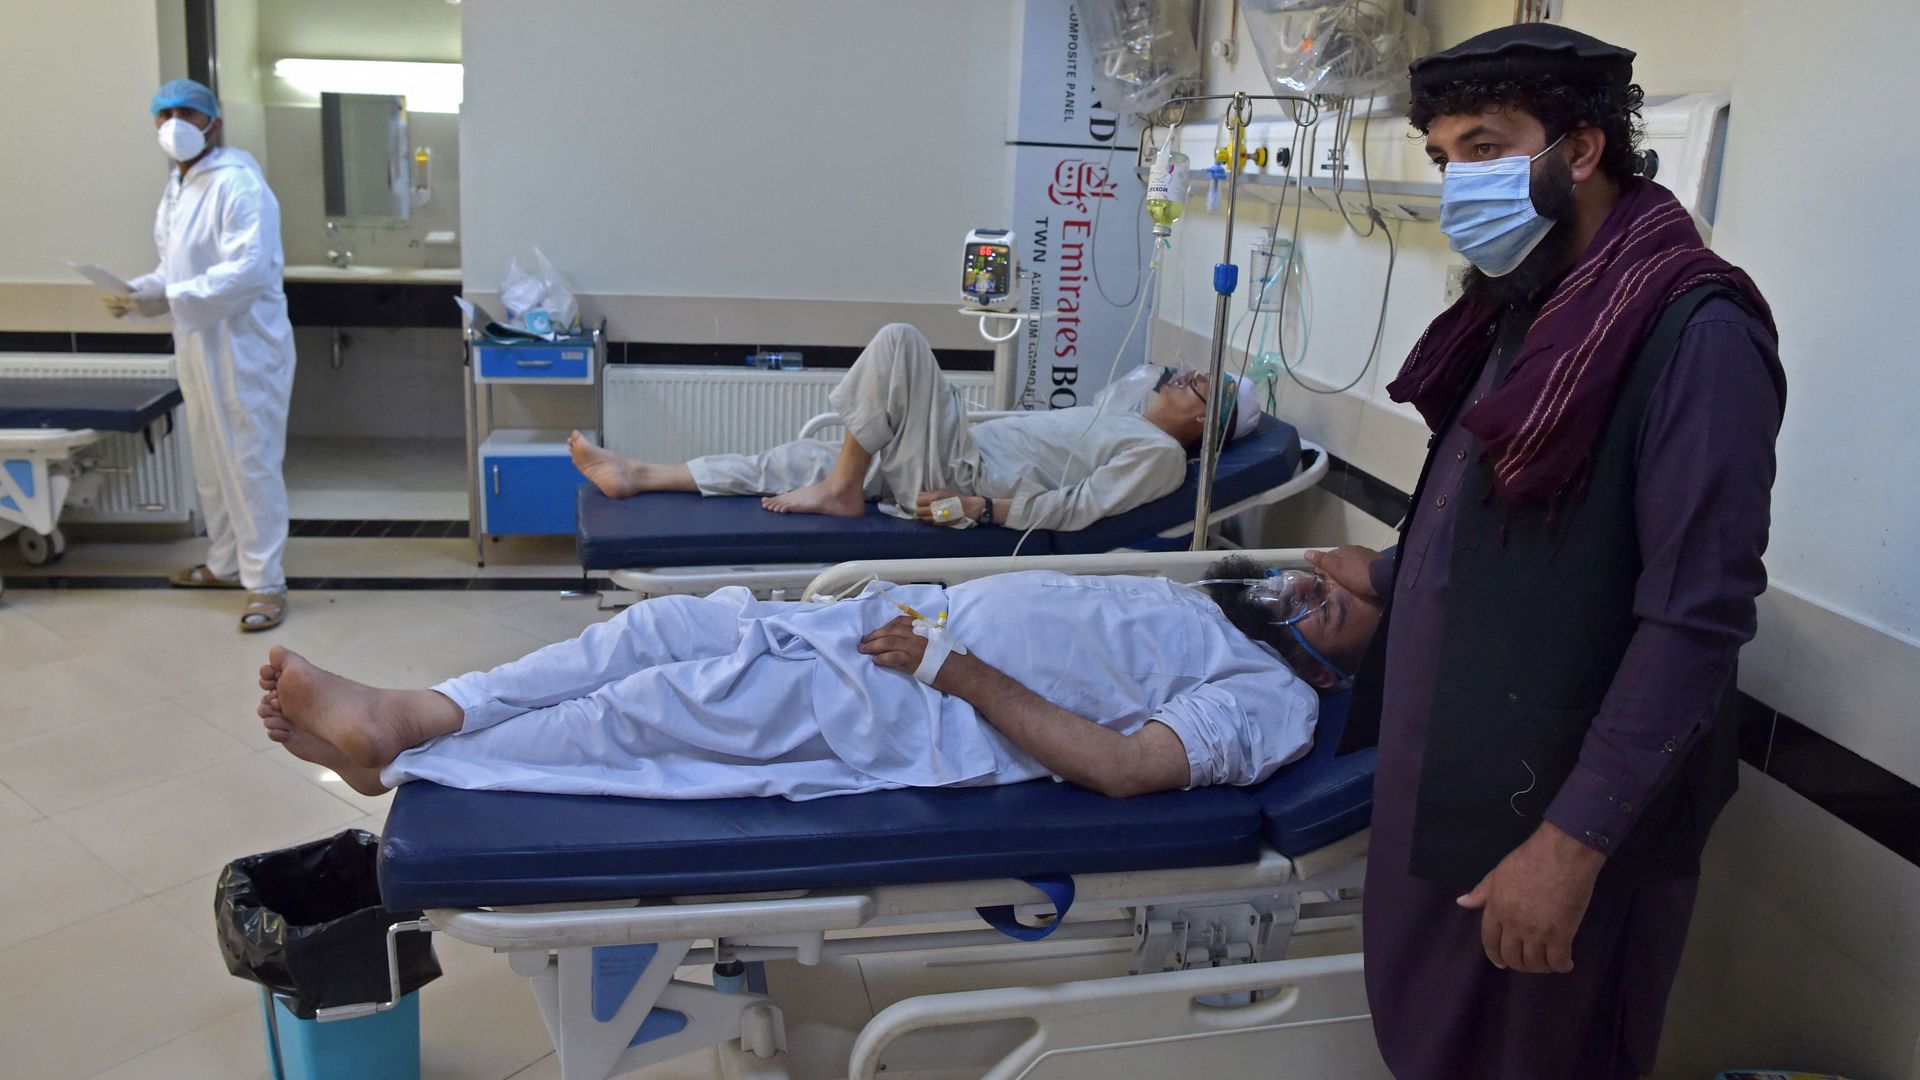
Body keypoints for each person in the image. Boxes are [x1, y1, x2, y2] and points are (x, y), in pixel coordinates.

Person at [1306, 24, 1784, 1080]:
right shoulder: (1529, 310)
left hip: (1554, 823)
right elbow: (1504, 523)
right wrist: (1384, 577)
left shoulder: (1692, 331)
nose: (1458, 182)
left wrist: (1572, 844)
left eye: (1485, 146)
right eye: (1442, 159)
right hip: (1451, 792)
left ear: (1580, 149)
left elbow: (1695, 618)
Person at [255, 556, 1380, 801]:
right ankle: (413, 714)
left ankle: (419, 763)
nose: (1325, 574)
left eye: (1357, 592)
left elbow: (1126, 767)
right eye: (1336, 560)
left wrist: (954, 668)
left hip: (918, 707)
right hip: (883, 629)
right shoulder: (1214, 595)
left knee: (654, 711)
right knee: (649, 634)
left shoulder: (1271, 700)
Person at [568, 322, 1260, 533]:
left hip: (965, 477)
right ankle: (642, 476)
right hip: (966, 449)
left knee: (899, 342)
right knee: (804, 456)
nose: (1175, 373)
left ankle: (844, 488)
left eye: (1194, 379)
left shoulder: (1162, 457)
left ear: (1205, 418)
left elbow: (1078, 510)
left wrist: (983, 509)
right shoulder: (1117, 415)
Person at [102, 79, 296, 631]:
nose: (173, 124)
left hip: (244, 347)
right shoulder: (180, 186)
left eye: (186, 112)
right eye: (162, 114)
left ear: (213, 120)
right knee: (211, 460)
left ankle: (267, 583)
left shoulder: (239, 184)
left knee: (250, 462)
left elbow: (247, 273)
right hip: (196, 342)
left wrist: (169, 298)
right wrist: (139, 292)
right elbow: (175, 268)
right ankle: (226, 562)